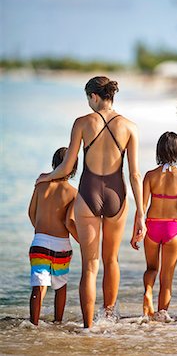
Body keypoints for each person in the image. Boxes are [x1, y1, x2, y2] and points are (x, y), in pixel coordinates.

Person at [36, 76, 146, 328]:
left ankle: (88, 327)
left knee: (90, 265)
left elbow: (66, 167)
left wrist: (46, 177)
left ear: (94, 96)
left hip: (88, 193)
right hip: (117, 194)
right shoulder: (130, 127)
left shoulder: (82, 123)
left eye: (88, 98)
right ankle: (108, 319)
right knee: (111, 260)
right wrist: (141, 213)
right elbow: (135, 174)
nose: (87, 103)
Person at [134, 131, 177, 322]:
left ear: (159, 151)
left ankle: (147, 292)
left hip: (151, 226)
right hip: (173, 228)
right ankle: (162, 315)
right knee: (167, 276)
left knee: (151, 268)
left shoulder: (150, 176)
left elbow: (142, 207)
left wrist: (136, 231)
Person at [28, 147, 78, 326]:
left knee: (38, 286)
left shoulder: (41, 184)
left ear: (54, 163)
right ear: (73, 168)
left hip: (39, 242)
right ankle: (58, 323)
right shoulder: (73, 192)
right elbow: (69, 222)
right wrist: (83, 241)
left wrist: (41, 231)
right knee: (60, 286)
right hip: (62, 245)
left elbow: (31, 212)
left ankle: (33, 324)